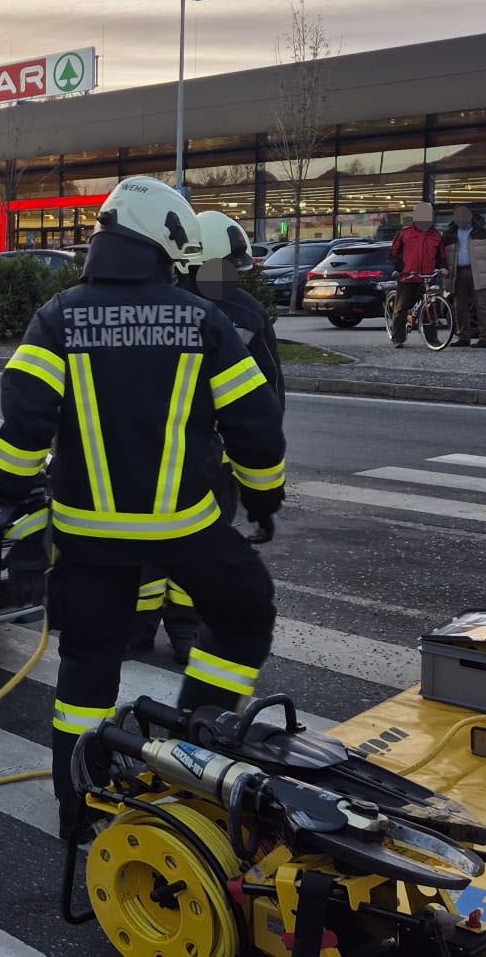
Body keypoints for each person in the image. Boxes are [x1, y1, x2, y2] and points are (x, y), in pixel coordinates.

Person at [0, 175, 286, 835]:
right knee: (243, 612)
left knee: (86, 675)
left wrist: (3, 499)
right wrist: (263, 497)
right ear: (167, 243)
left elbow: (25, 423)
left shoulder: (58, 316)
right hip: (186, 530)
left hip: (88, 540)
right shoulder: (205, 320)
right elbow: (254, 424)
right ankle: (198, 736)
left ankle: (78, 808)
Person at [130, 210, 287, 662]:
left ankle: (137, 629)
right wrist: (261, 474)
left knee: (147, 547)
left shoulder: (154, 306)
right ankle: (186, 632)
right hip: (212, 462)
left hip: (156, 456)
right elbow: (268, 399)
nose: (233, 277)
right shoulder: (246, 314)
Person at [442, 205, 486, 348]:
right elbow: (442, 254)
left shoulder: (485, 229)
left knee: (482, 306)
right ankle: (463, 337)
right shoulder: (450, 232)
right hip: (458, 273)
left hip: (479, 272)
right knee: (460, 307)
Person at [387, 202, 445, 347]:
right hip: (408, 277)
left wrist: (443, 267)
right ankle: (398, 338)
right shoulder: (404, 233)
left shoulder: (436, 236)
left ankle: (432, 339)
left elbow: (441, 257)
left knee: (429, 309)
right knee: (401, 308)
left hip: (427, 278)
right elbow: (393, 254)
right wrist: (402, 268)